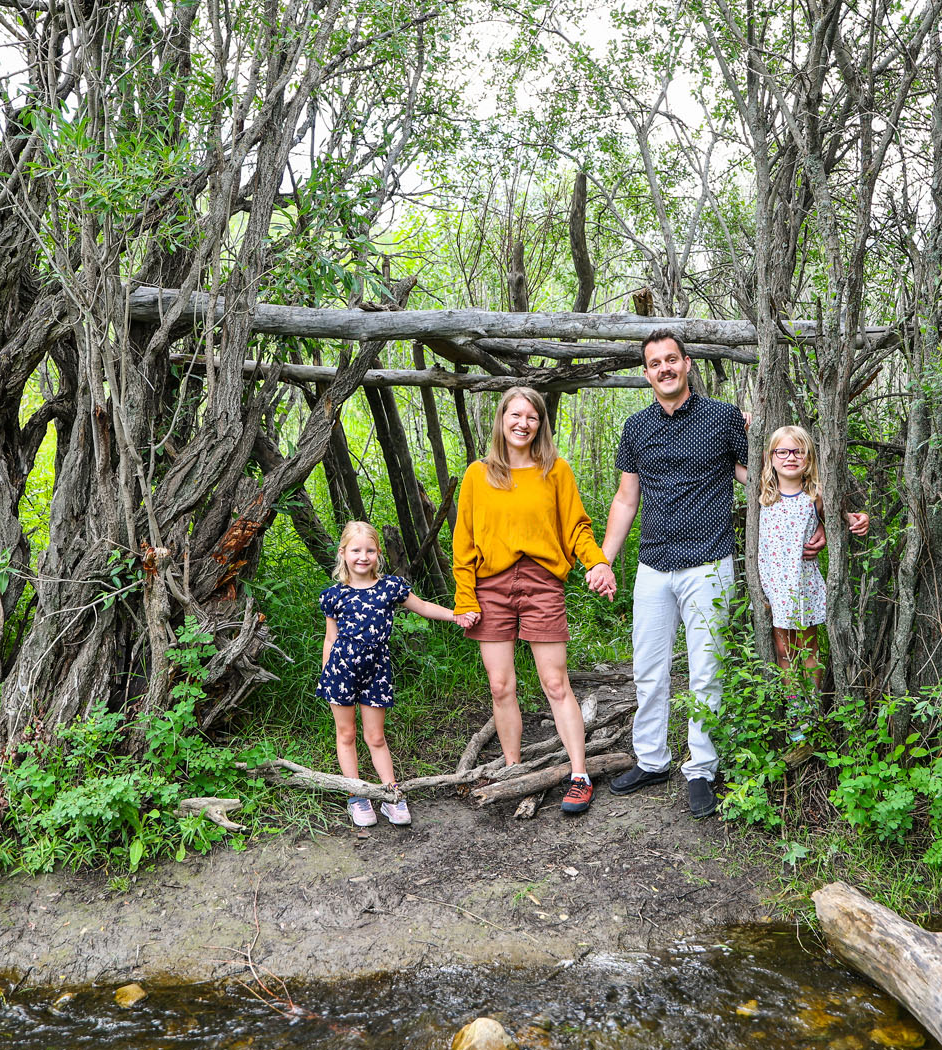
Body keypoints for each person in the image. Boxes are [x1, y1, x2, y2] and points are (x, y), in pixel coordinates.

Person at [596, 328, 746, 819]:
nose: (664, 368)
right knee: (648, 671)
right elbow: (625, 499)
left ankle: (701, 768)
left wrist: (822, 507)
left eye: (671, 360)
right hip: (654, 566)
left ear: (686, 364)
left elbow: (762, 476)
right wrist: (604, 559)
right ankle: (653, 759)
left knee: (706, 672)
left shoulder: (724, 418)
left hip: (709, 563)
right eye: (655, 362)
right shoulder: (636, 427)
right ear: (646, 373)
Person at [453, 386, 616, 816]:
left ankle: (579, 774)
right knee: (501, 685)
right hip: (491, 588)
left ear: (540, 424)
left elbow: (577, 528)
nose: (522, 423)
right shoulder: (478, 474)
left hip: (543, 583)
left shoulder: (555, 470)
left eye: (532, 417)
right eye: (515, 415)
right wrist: (465, 596)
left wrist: (596, 563)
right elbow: (464, 543)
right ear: (502, 420)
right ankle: (513, 769)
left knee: (555, 683)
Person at [317, 521, 460, 827]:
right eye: (355, 550)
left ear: (378, 553)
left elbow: (422, 607)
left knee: (376, 736)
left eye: (369, 550)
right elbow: (330, 638)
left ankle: (391, 795)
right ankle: (357, 795)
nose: (362, 556)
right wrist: (326, 671)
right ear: (343, 553)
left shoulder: (390, 587)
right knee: (347, 733)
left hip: (377, 671)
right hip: (340, 670)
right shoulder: (333, 595)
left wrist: (456, 615)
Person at [756, 425, 868, 721]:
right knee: (783, 649)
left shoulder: (815, 495)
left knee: (808, 647)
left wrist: (859, 519)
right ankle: (793, 711)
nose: (790, 458)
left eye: (798, 451)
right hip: (774, 585)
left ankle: (810, 712)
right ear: (770, 457)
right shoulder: (762, 491)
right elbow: (733, 465)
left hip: (802, 583)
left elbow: (842, 519)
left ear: (808, 458)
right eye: (783, 451)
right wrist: (746, 423)